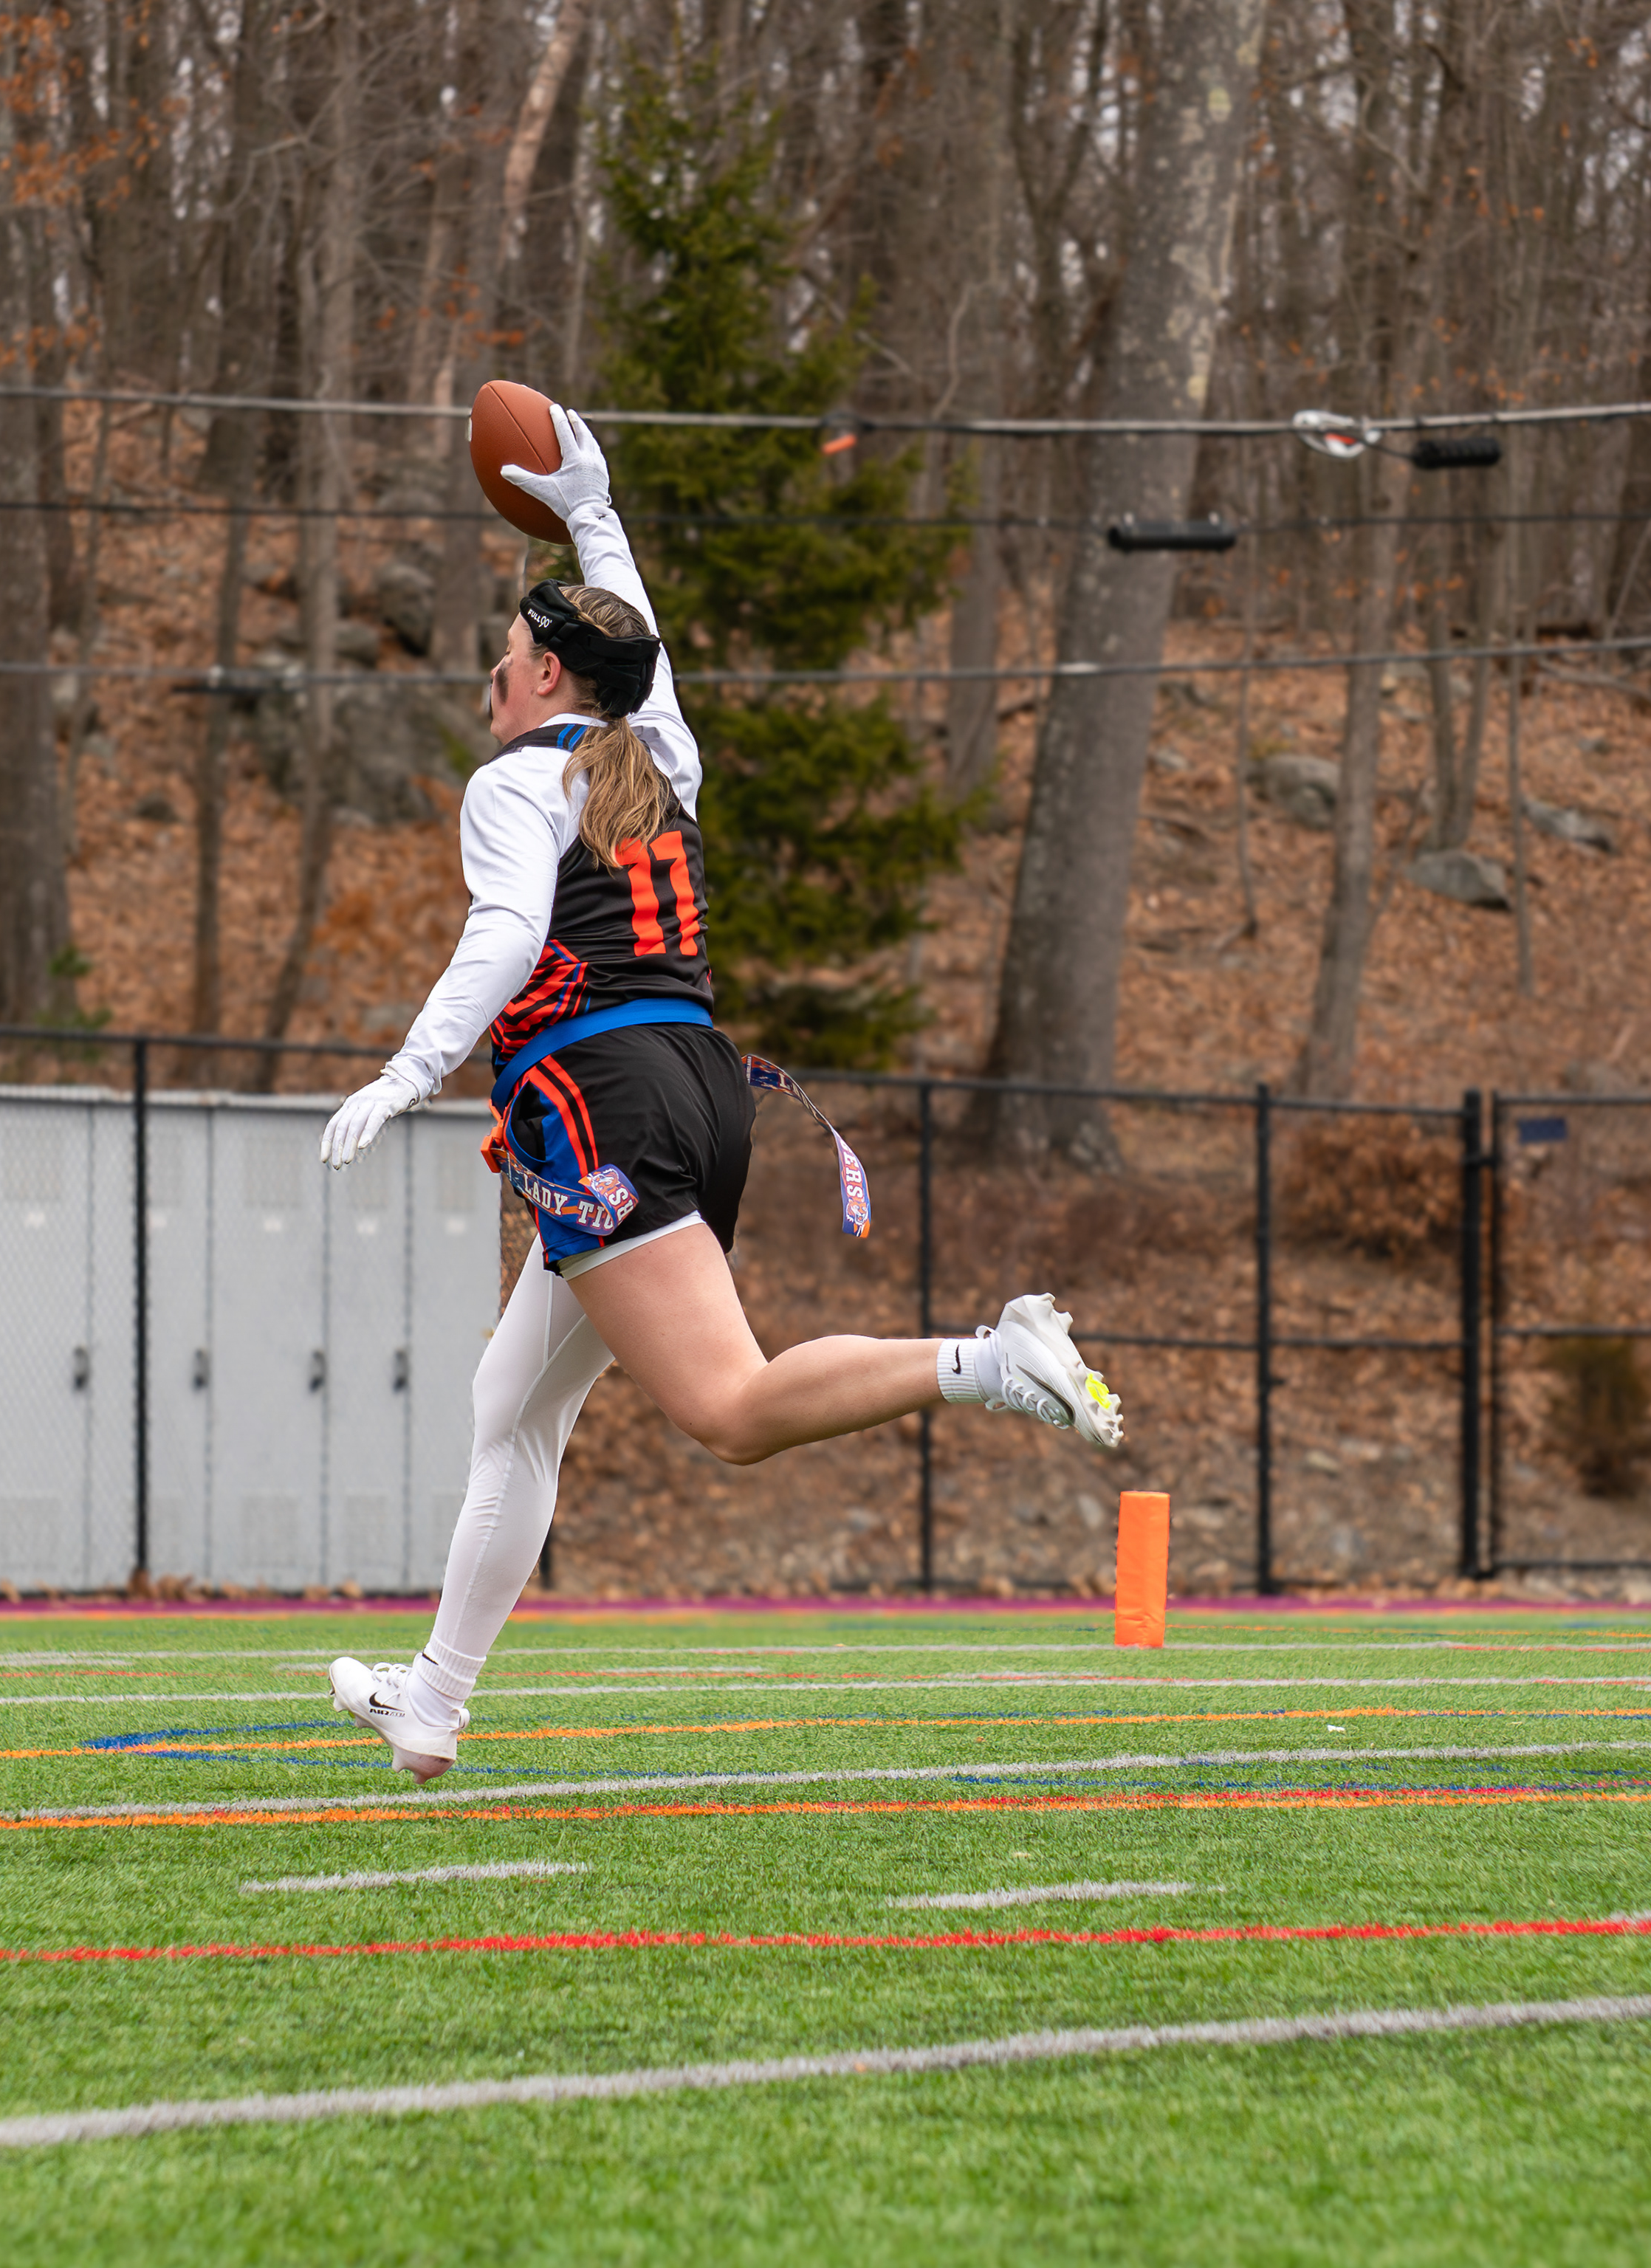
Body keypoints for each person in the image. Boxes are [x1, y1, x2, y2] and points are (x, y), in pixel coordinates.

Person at [312, 400, 1122, 1784]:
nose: (490, 674)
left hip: (602, 1098)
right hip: (693, 1081)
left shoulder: (514, 783)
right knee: (513, 1405)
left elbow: (507, 933)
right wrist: (591, 511)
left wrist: (410, 1067)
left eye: (506, 653)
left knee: (729, 1411)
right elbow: (645, 649)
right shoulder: (658, 753)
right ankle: (432, 1704)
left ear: (552, 671)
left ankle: (994, 1359)